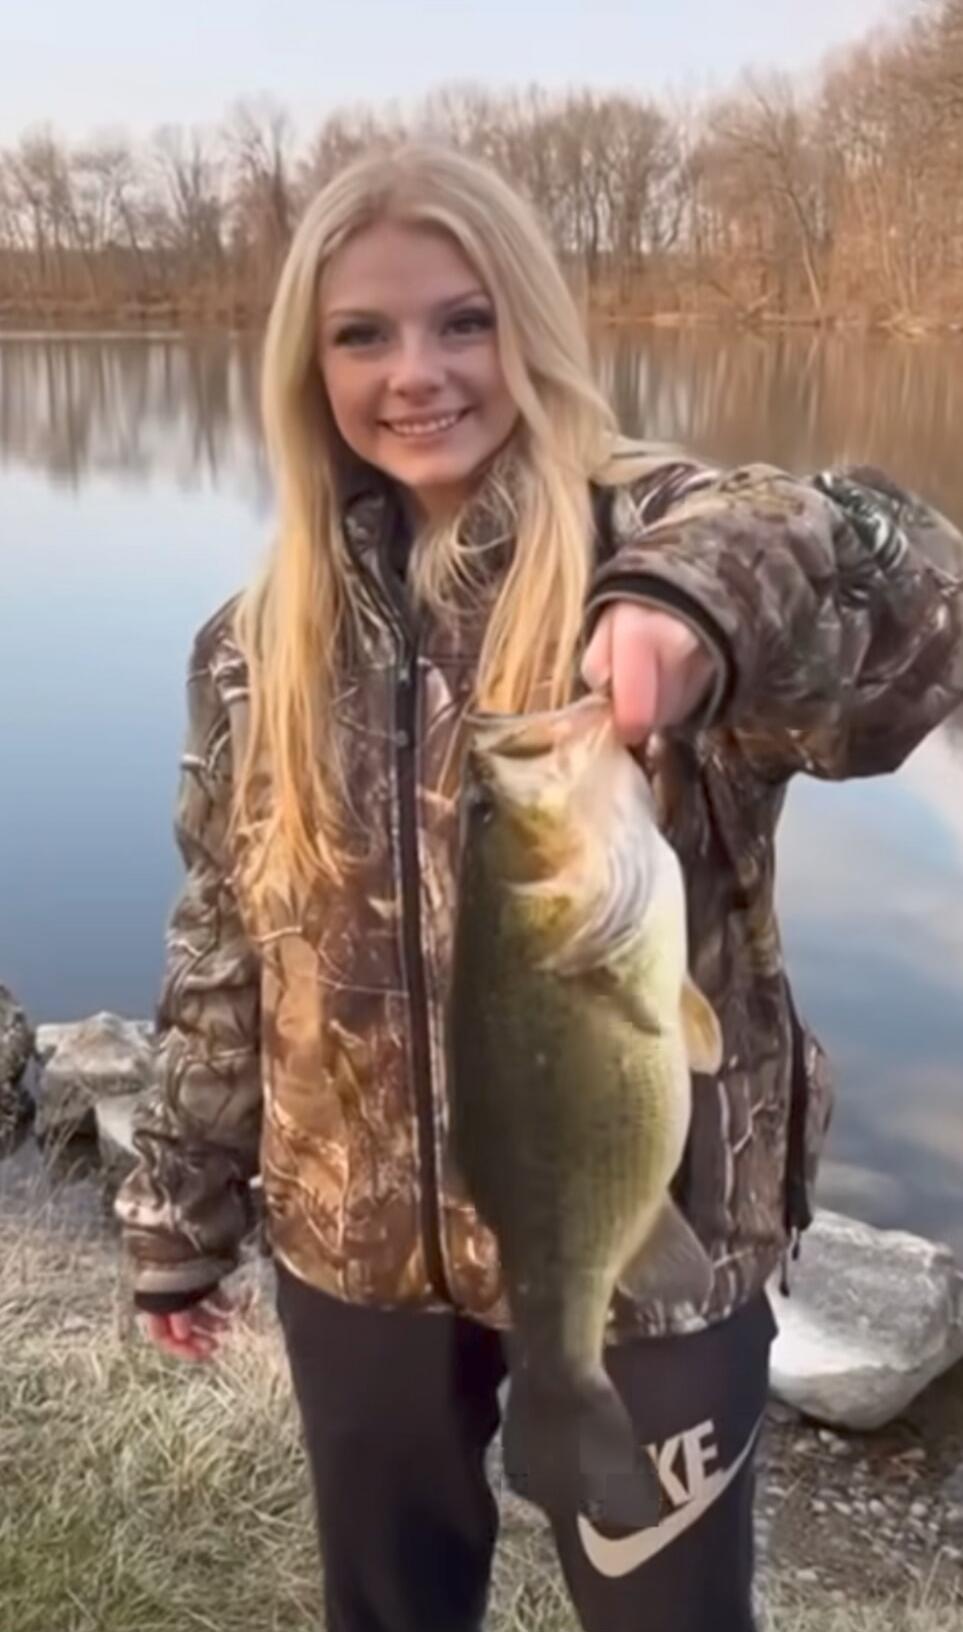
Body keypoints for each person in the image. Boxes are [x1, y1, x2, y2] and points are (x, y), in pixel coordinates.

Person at [116, 143, 963, 1632]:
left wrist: (700, 606)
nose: (417, 374)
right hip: (356, 1248)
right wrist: (182, 1210)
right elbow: (223, 945)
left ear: (535, 328)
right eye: (362, 334)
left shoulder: (661, 539)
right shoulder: (253, 645)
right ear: (304, 364)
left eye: (466, 320)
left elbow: (918, 609)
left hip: (648, 1247)